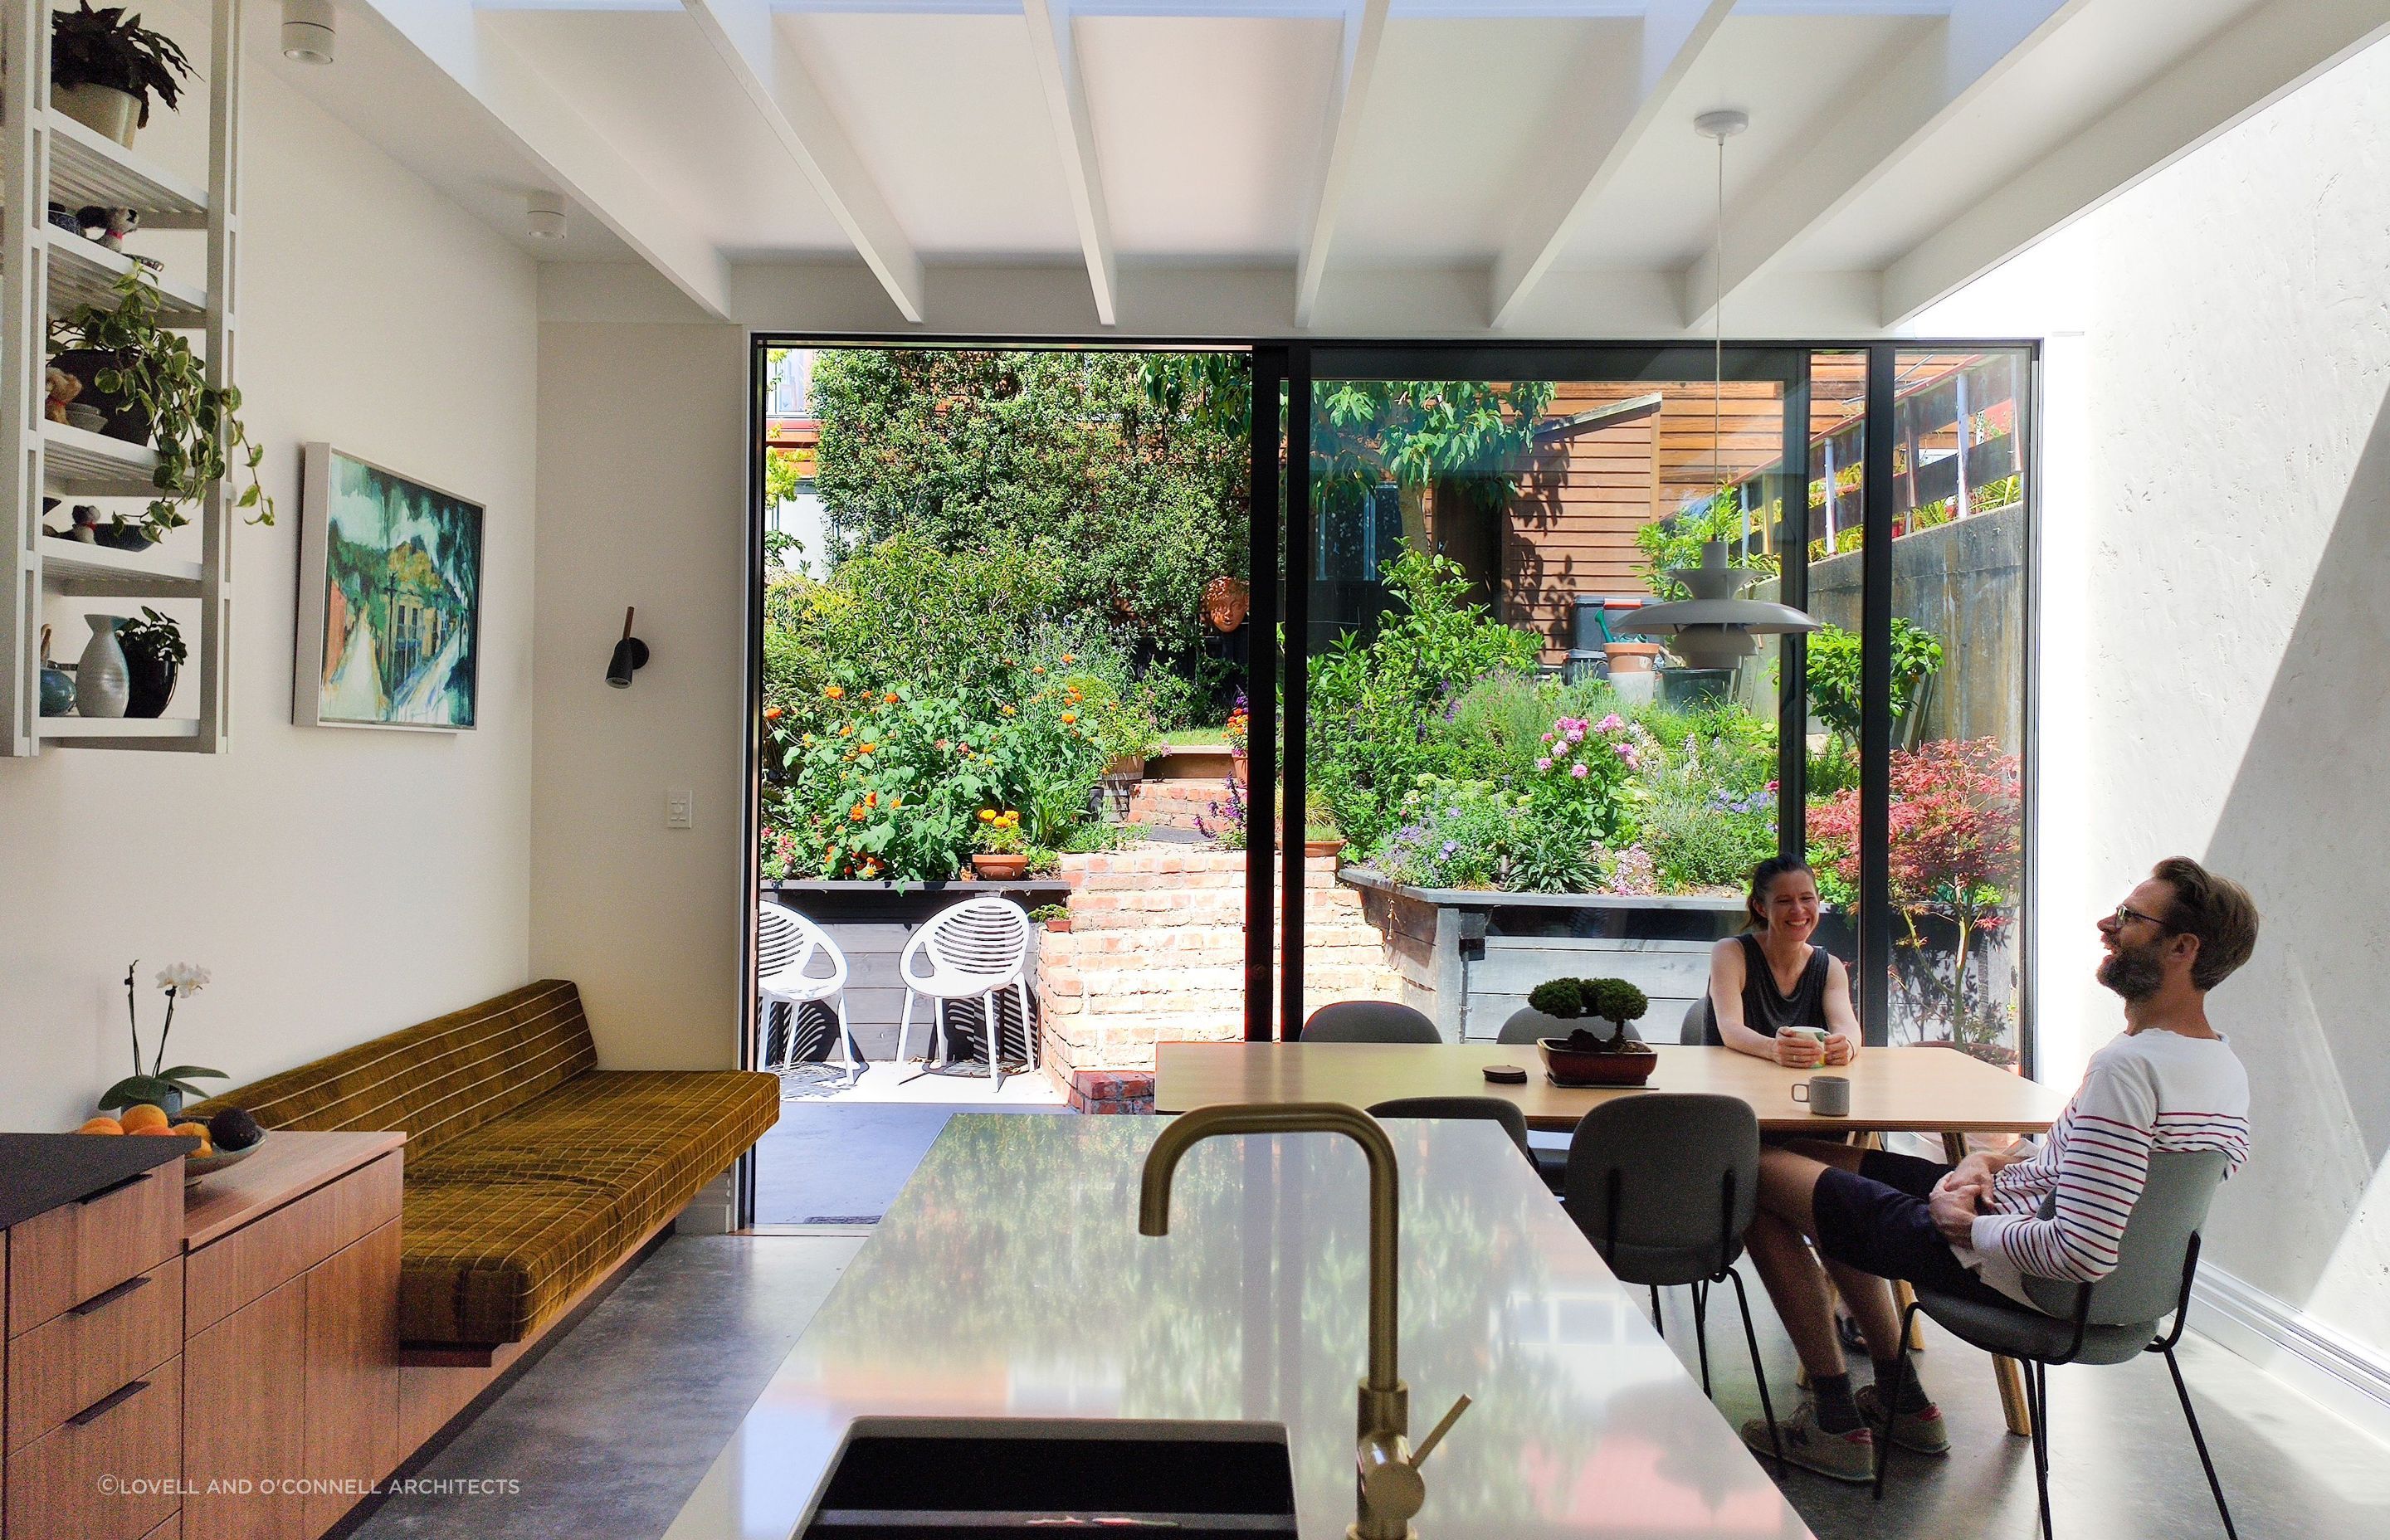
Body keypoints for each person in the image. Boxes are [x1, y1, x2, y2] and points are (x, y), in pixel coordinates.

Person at [1734, 856, 2257, 1483]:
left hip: (2010, 1268)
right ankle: (1902, 1402)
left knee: (1754, 1167)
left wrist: (1966, 1226)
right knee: (1815, 1158)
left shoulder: (2130, 1069)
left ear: (2182, 947)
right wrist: (1992, 1162)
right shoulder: (2220, 1067)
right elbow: (2092, 1172)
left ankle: (1835, 1422)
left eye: (2128, 917)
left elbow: (2083, 1252)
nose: (2105, 925)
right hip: (2026, 1235)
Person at [1704, 856, 1861, 1070]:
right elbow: (1730, 1028)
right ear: (1761, 908)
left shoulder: (1830, 967)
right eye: (1784, 901)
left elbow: (1847, 1027)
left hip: (1800, 1087)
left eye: (1806, 898)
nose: (1798, 910)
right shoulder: (1731, 953)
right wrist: (1773, 1048)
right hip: (1734, 1085)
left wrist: (1846, 1046)